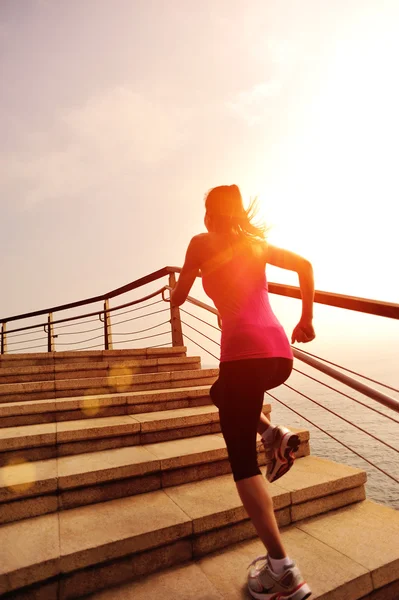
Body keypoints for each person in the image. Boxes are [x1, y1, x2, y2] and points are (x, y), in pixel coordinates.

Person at [171, 184, 315, 600]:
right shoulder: (255, 244)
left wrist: (181, 287)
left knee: (242, 465)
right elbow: (305, 265)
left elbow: (180, 296)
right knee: (222, 393)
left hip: (243, 356)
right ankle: (273, 435)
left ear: (208, 212)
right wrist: (305, 319)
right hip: (278, 353)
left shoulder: (200, 242)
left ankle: (282, 571)